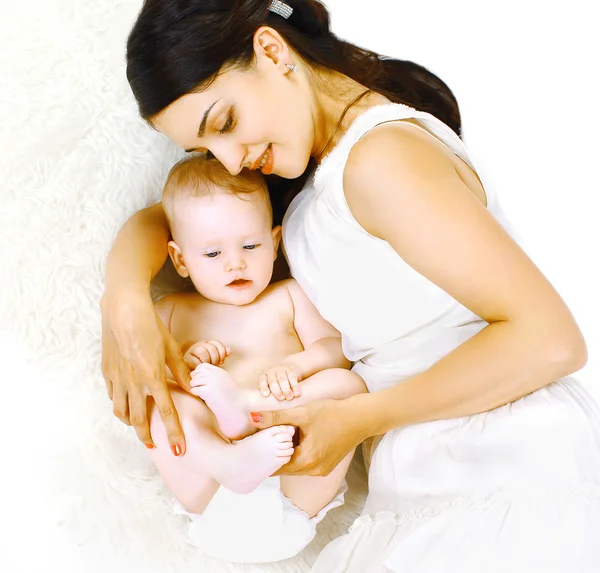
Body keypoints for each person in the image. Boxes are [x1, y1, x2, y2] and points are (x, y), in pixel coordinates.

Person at [101, 0, 600, 570]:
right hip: (428, 463)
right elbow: (171, 216)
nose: (231, 164)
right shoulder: (320, 166)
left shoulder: (379, 159)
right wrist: (124, 300)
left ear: (271, 50)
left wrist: (355, 419)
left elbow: (551, 340)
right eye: (204, 150)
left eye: (226, 124)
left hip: (501, 456)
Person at [146, 154, 366, 561]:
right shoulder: (171, 311)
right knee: (159, 404)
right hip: (211, 485)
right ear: (180, 260)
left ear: (275, 241)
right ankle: (227, 455)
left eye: (250, 245)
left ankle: (243, 406)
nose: (235, 262)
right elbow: (145, 373)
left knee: (348, 386)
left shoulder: (288, 297)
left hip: (293, 474)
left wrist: (295, 367)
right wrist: (184, 361)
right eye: (212, 254)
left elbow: (338, 350)